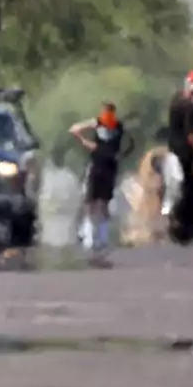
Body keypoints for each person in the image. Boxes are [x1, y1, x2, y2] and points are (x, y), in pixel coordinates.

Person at [69, 102, 125, 265]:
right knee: (98, 203)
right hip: (106, 167)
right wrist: (87, 135)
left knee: (95, 203)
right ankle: (97, 238)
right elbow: (76, 129)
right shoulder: (113, 125)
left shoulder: (106, 125)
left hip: (101, 167)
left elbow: (77, 131)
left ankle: (94, 238)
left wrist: (82, 139)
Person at [167, 70, 193, 240]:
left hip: (174, 150)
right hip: (186, 153)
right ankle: (185, 227)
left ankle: (177, 223)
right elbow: (191, 135)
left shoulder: (176, 100)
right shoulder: (189, 106)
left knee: (178, 186)